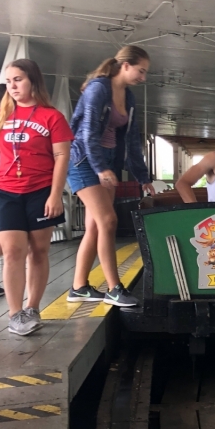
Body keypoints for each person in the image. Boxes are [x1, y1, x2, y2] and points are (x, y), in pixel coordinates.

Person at [67, 46, 154, 307]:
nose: (143, 77)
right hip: (84, 161)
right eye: (141, 71)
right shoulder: (98, 89)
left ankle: (78, 287)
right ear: (125, 65)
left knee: (95, 226)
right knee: (108, 221)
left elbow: (130, 138)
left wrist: (142, 176)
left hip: (107, 162)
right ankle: (115, 289)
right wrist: (100, 169)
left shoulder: (128, 98)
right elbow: (87, 134)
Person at [0, 60, 72, 335]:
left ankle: (32, 307)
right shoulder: (2, 114)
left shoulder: (51, 117)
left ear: (33, 81)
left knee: (39, 251)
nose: (13, 86)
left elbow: (62, 156)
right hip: (6, 190)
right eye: (8, 81)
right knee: (13, 250)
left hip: (40, 190)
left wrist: (55, 195)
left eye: (18, 79)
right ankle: (15, 313)